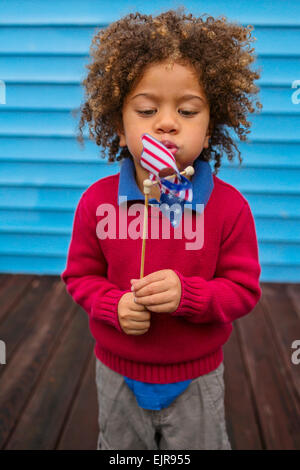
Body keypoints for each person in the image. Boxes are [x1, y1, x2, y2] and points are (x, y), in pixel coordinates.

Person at [61, 8, 262, 450]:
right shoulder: (97, 203)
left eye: (188, 111)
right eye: (148, 109)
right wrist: (112, 305)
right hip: (116, 371)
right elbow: (79, 277)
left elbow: (243, 290)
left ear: (211, 129)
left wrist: (189, 295)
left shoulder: (228, 209)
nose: (167, 122)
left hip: (197, 375)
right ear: (119, 125)